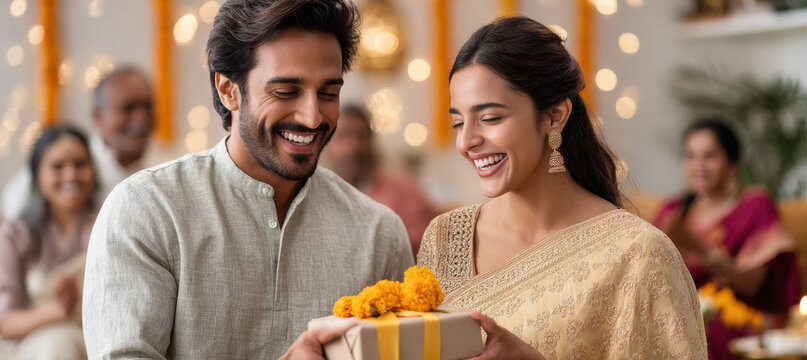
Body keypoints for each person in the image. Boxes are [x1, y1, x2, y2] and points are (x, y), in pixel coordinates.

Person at [81, 0, 413, 358]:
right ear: (227, 89)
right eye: (286, 92)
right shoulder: (147, 211)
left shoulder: (379, 232)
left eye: (329, 93)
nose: (313, 116)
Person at [416, 16, 707, 359]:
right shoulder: (446, 237)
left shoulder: (638, 254)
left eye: (490, 118)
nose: (466, 142)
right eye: (458, 123)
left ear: (554, 116)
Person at [654, 119, 799, 360]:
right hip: (677, 314)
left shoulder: (754, 206)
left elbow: (750, 284)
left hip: (737, 319)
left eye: (709, 156)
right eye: (690, 156)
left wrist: (697, 245)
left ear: (731, 163)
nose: (698, 165)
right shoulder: (672, 210)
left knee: (702, 330)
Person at [2, 67, 154, 218]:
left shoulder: (162, 165)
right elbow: (11, 208)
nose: (141, 118)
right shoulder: (71, 158)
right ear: (98, 116)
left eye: (148, 106)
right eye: (127, 108)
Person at [0, 126, 98, 360]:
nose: (71, 175)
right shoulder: (14, 235)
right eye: (57, 167)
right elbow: (5, 322)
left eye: (80, 164)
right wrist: (57, 310)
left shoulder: (108, 226)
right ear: (37, 175)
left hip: (96, 342)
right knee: (59, 344)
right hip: (32, 347)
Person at [322, 105, 436, 258]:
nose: (354, 146)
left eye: (361, 136)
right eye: (343, 136)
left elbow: (429, 244)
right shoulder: (316, 196)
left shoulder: (406, 191)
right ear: (326, 145)